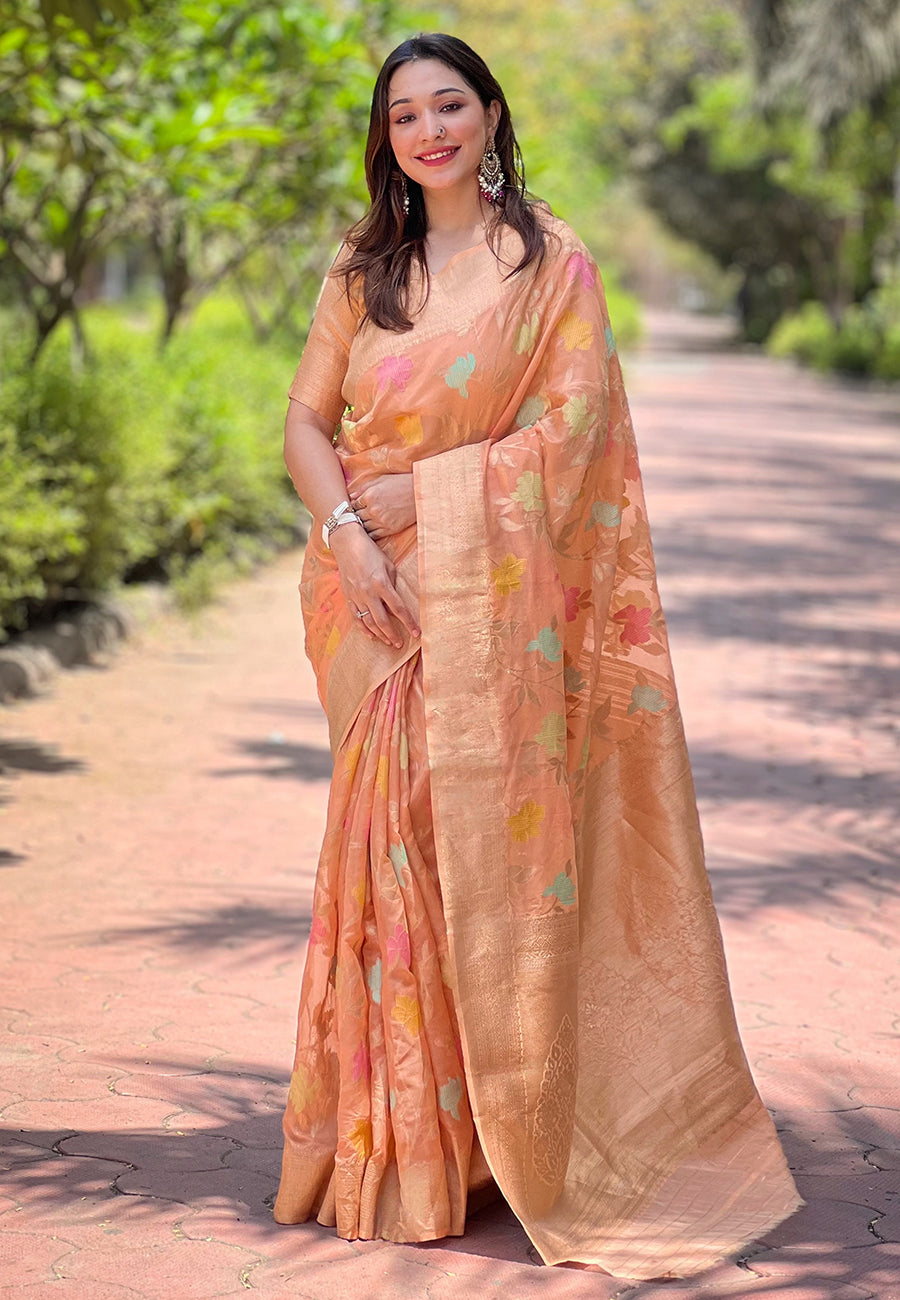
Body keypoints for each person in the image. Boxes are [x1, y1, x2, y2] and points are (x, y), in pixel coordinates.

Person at [272, 32, 801, 1280]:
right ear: (386, 139)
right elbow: (304, 419)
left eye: (449, 103)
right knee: (389, 852)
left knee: (479, 859)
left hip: (488, 601)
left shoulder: (550, 263)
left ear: (492, 113)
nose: (429, 130)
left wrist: (431, 499)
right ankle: (405, 1144)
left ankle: (490, 1129)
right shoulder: (364, 269)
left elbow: (575, 435)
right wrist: (351, 535)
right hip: (374, 602)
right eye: (404, 114)